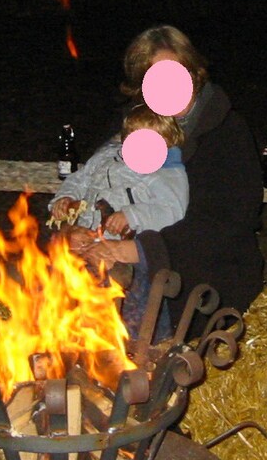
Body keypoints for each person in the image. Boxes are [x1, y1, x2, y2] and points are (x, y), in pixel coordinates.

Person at [91, 25, 264, 327]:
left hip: (203, 272)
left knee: (138, 307)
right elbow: (98, 179)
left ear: (193, 73)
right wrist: (80, 226)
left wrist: (143, 250)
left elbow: (226, 222)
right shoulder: (132, 126)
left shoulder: (226, 131)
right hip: (126, 249)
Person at [48, 103, 189, 334]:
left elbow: (172, 210)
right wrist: (66, 198)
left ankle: (134, 344)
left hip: (124, 248)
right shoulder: (105, 158)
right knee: (59, 275)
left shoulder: (166, 173)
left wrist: (132, 215)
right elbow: (80, 179)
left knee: (123, 294)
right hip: (88, 235)